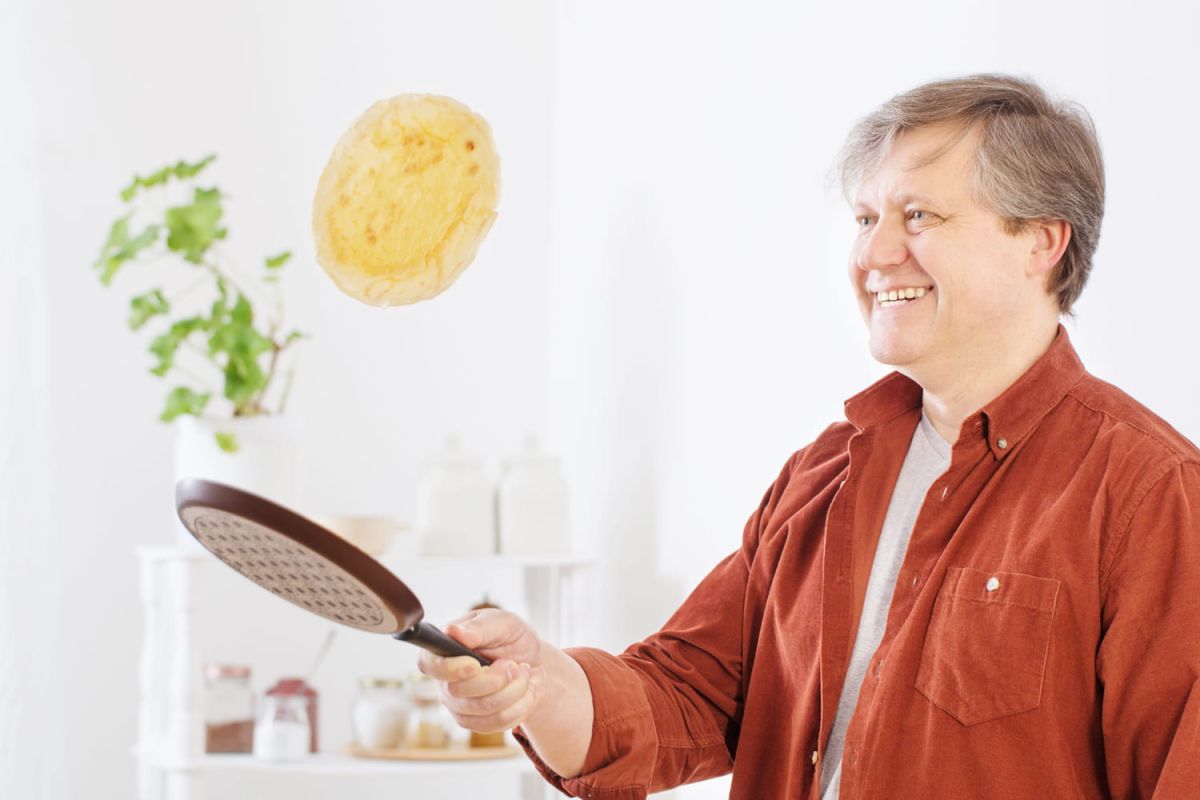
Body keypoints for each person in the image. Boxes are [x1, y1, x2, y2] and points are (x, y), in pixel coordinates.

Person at [418, 74, 1200, 799]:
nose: (872, 255)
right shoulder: (827, 471)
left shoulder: (1150, 493)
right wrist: (539, 681)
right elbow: (685, 694)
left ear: (1041, 241)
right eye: (866, 219)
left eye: (918, 215)